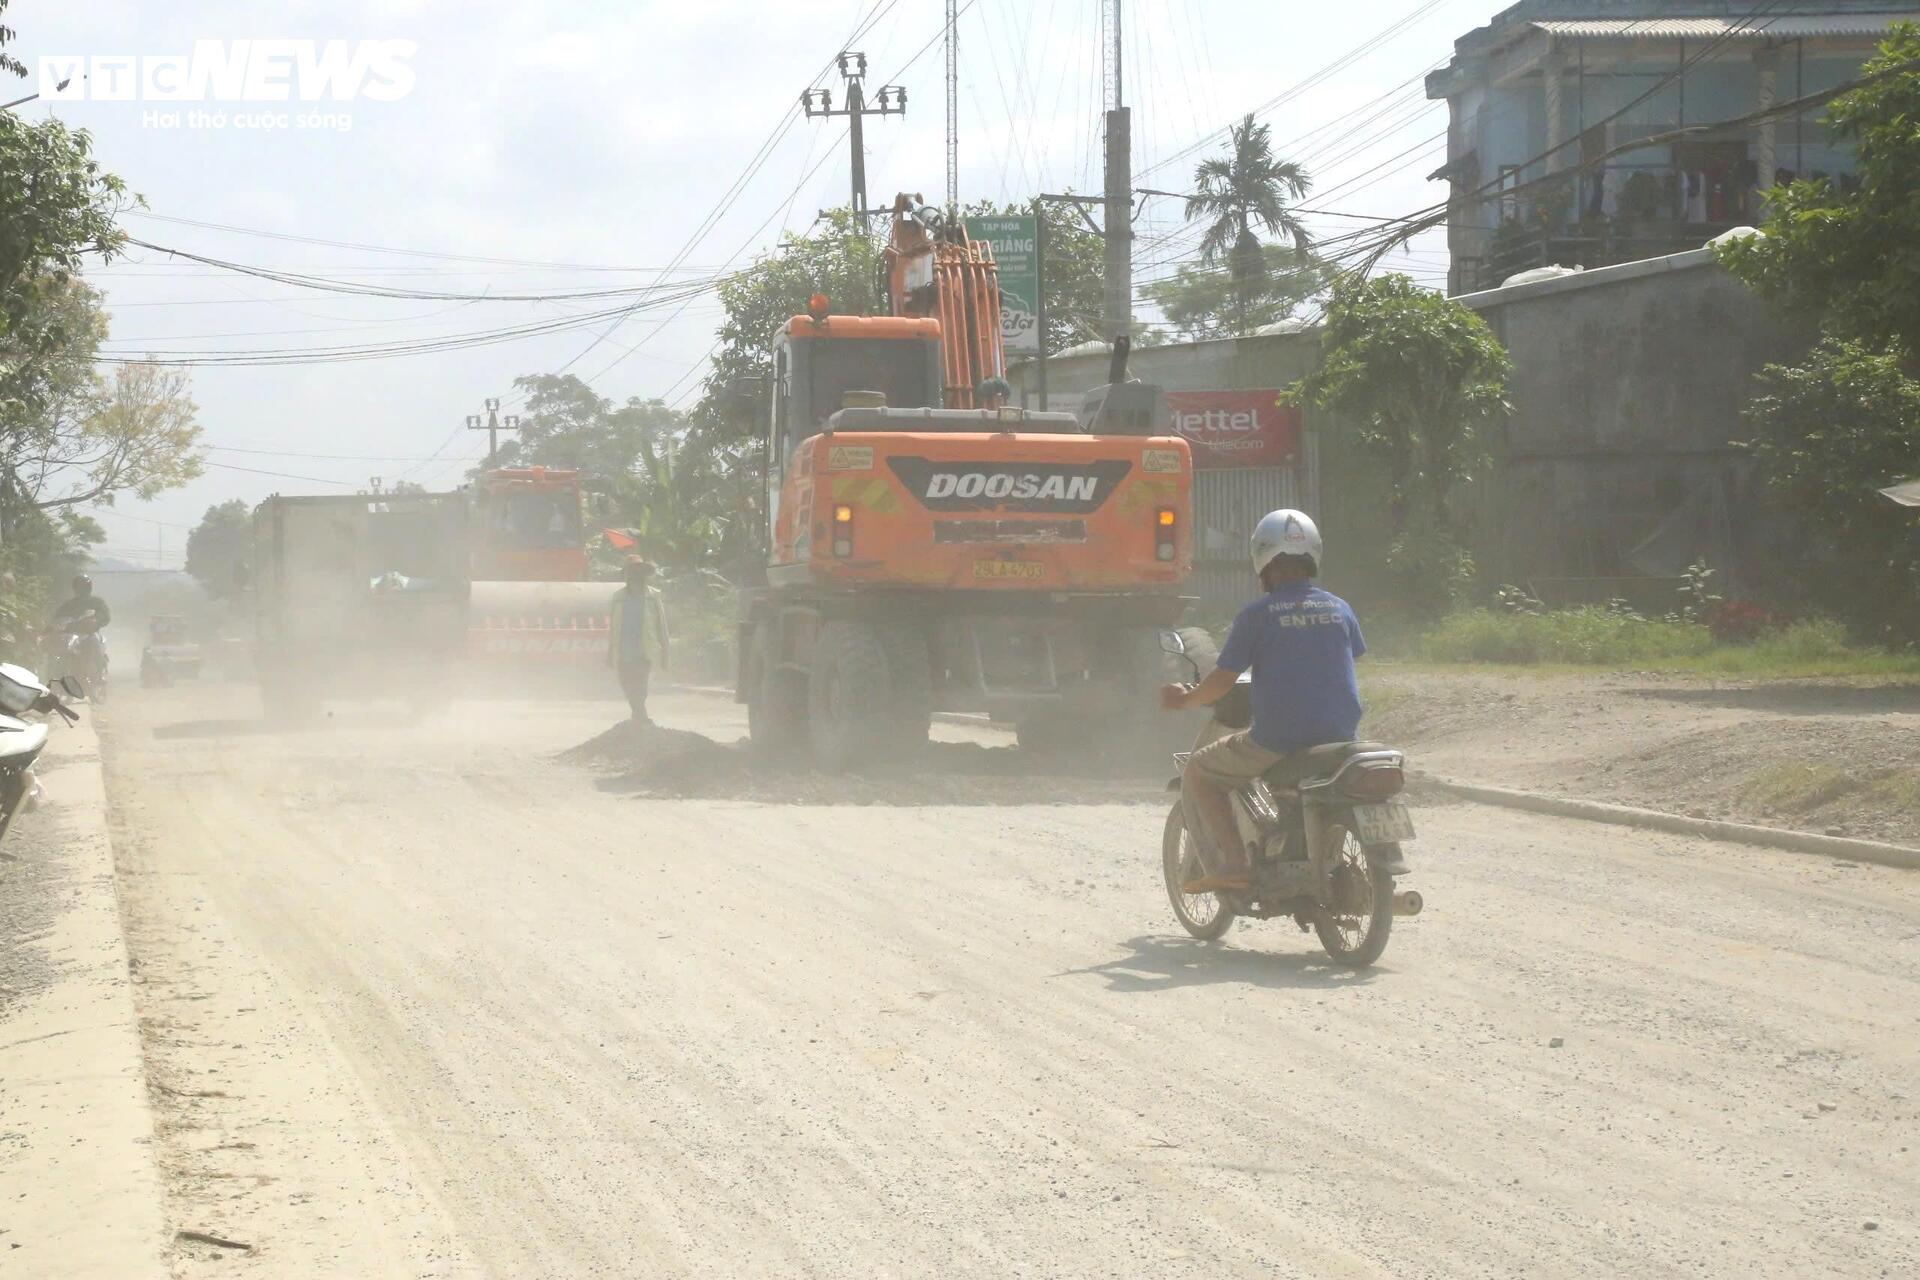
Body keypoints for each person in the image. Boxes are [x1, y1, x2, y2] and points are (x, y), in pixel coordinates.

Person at [1160, 510, 1365, 893]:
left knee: (1201, 771)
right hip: (1341, 734)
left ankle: (1235, 865)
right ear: (1313, 556)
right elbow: (1348, 658)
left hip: (1281, 738)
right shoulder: (1340, 608)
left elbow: (1221, 681)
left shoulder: (1257, 616)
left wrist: (1186, 700)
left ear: (1263, 560)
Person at [608, 558, 669, 724]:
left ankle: (640, 714)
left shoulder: (653, 596)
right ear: (627, 574)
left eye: (639, 571)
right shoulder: (618, 597)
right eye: (632, 571)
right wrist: (609, 653)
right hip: (623, 649)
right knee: (626, 684)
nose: (636, 574)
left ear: (644, 574)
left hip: (644, 649)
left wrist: (665, 653)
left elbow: (661, 626)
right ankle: (639, 713)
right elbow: (613, 627)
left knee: (641, 684)